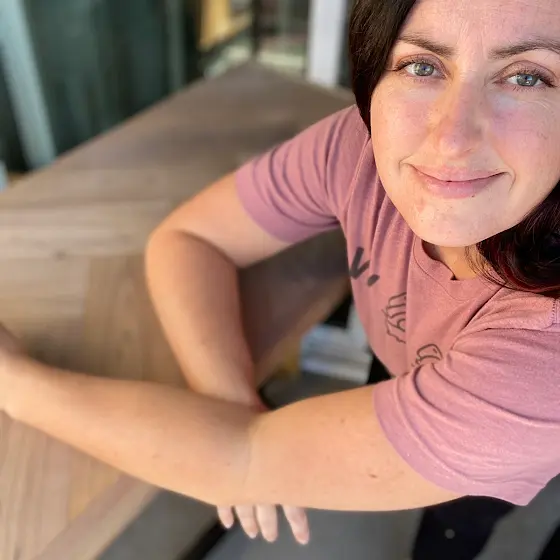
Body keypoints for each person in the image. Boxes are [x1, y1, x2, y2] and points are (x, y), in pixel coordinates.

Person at [0, 0, 559, 557]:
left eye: (528, 76)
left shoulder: (541, 366)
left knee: (454, 529)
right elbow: (192, 238)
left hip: (499, 446)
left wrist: (16, 385)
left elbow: (242, 459)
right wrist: (229, 400)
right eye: (422, 65)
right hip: (405, 352)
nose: (451, 138)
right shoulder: (360, 146)